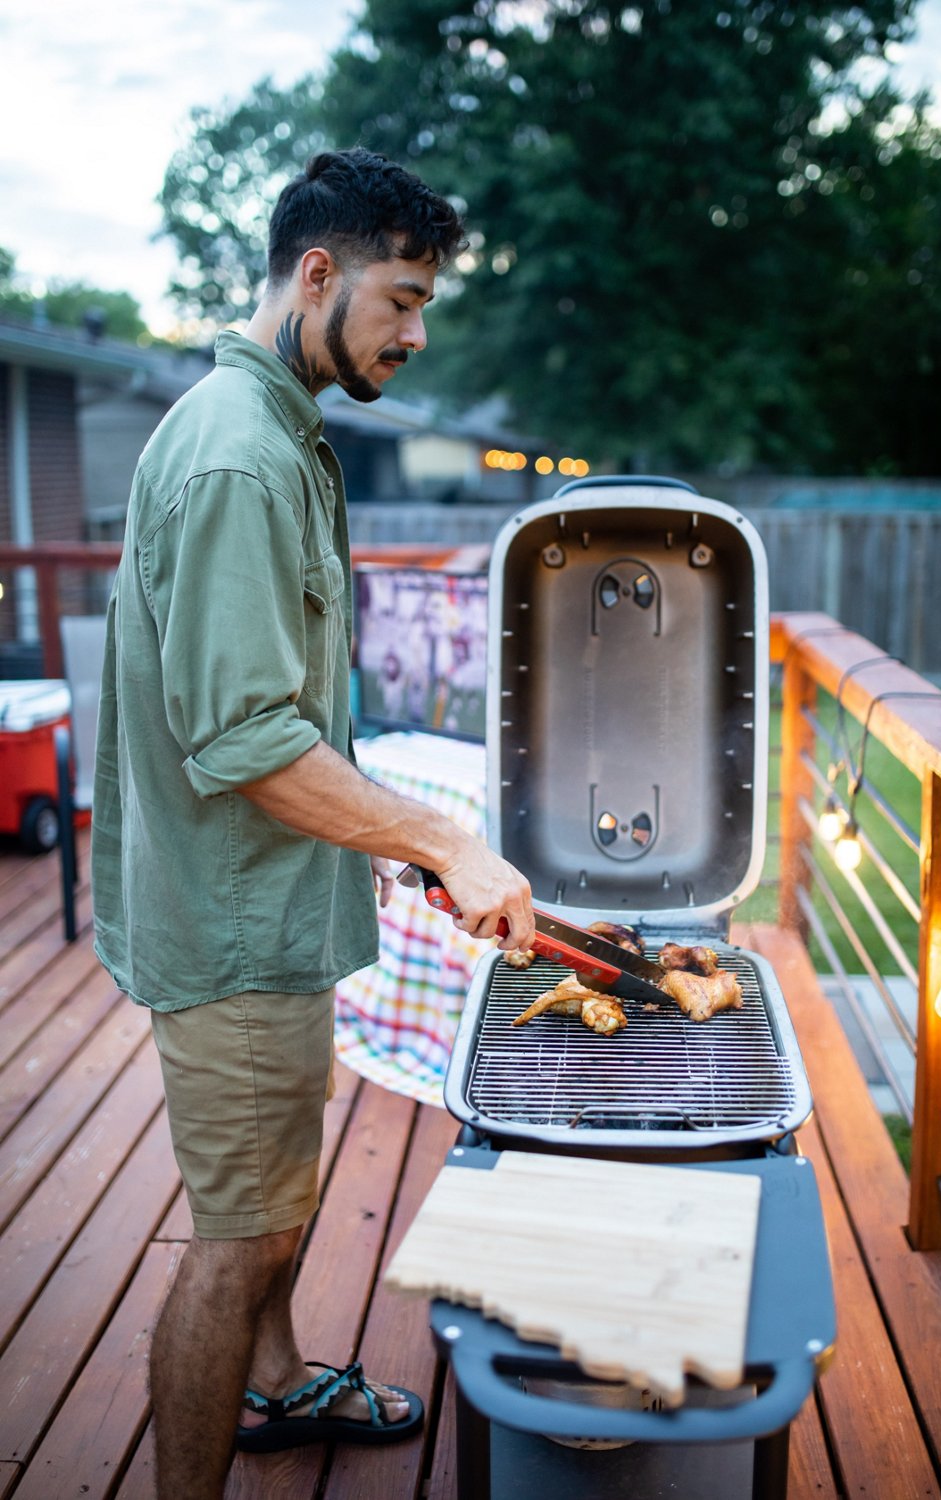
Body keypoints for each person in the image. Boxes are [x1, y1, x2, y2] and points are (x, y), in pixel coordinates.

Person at [91, 147, 535, 1500]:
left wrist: (373, 834)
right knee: (233, 1246)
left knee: (274, 1202)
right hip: (229, 929)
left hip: (258, 898)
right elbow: (243, 740)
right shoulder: (240, 458)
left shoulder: (270, 422)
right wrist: (440, 840)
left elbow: (270, 704)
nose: (415, 334)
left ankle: (278, 1389)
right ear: (319, 273)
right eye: (401, 300)